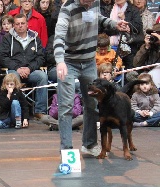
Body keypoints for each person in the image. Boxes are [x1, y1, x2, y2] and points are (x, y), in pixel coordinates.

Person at [54, 0, 129, 156]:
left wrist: (114, 24)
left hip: (89, 61)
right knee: (66, 106)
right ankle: (66, 150)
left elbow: (98, 18)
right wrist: (60, 62)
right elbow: (59, 37)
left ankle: (89, 144)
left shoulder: (94, 3)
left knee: (93, 105)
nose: (89, 2)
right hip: (69, 62)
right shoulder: (67, 9)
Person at [0, 14, 48, 119]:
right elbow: (2, 57)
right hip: (14, 70)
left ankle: (40, 111)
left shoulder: (35, 38)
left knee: (43, 76)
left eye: (22, 23)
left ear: (27, 24)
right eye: (17, 24)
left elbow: (40, 58)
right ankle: (15, 110)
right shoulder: (7, 38)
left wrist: (29, 68)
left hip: (31, 70)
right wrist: (18, 68)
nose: (20, 26)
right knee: (13, 77)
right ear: (14, 25)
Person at [103, 0, 143, 69]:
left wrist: (124, 18)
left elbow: (138, 28)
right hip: (110, 48)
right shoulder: (109, 9)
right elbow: (103, 27)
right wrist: (118, 29)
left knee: (128, 73)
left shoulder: (133, 9)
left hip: (128, 48)